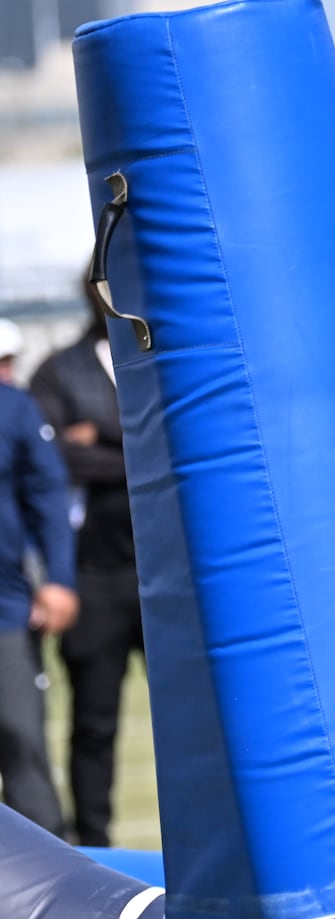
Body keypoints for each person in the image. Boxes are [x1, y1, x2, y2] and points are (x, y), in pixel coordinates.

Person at [28, 281, 143, 847]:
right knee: (94, 724)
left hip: (169, 577)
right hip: (95, 575)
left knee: (202, 722)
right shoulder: (59, 370)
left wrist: (105, 433)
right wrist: (140, 453)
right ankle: (96, 849)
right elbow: (51, 453)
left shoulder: (166, 361)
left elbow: (185, 438)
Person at [0, 359, 76, 838]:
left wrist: (57, 578)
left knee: (21, 743)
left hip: (4, 611)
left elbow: (48, 496)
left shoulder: (13, 407)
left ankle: (52, 894)